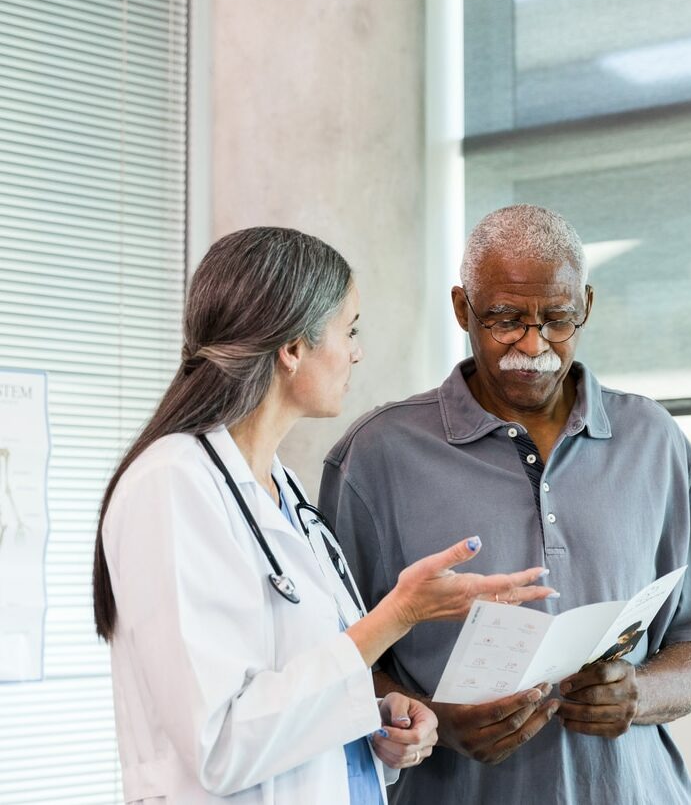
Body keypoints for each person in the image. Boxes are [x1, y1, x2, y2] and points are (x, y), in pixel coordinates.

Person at [91, 227, 556, 804]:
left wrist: (378, 720)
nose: (357, 351)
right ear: (292, 348)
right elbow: (218, 745)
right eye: (349, 330)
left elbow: (292, 690)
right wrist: (399, 614)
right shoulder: (172, 484)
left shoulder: (279, 487)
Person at [321, 205, 691, 804]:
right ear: (462, 308)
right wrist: (436, 721)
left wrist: (639, 694)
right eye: (505, 319)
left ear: (587, 307)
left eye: (558, 319)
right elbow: (331, 664)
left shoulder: (654, 440)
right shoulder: (376, 455)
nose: (533, 344)